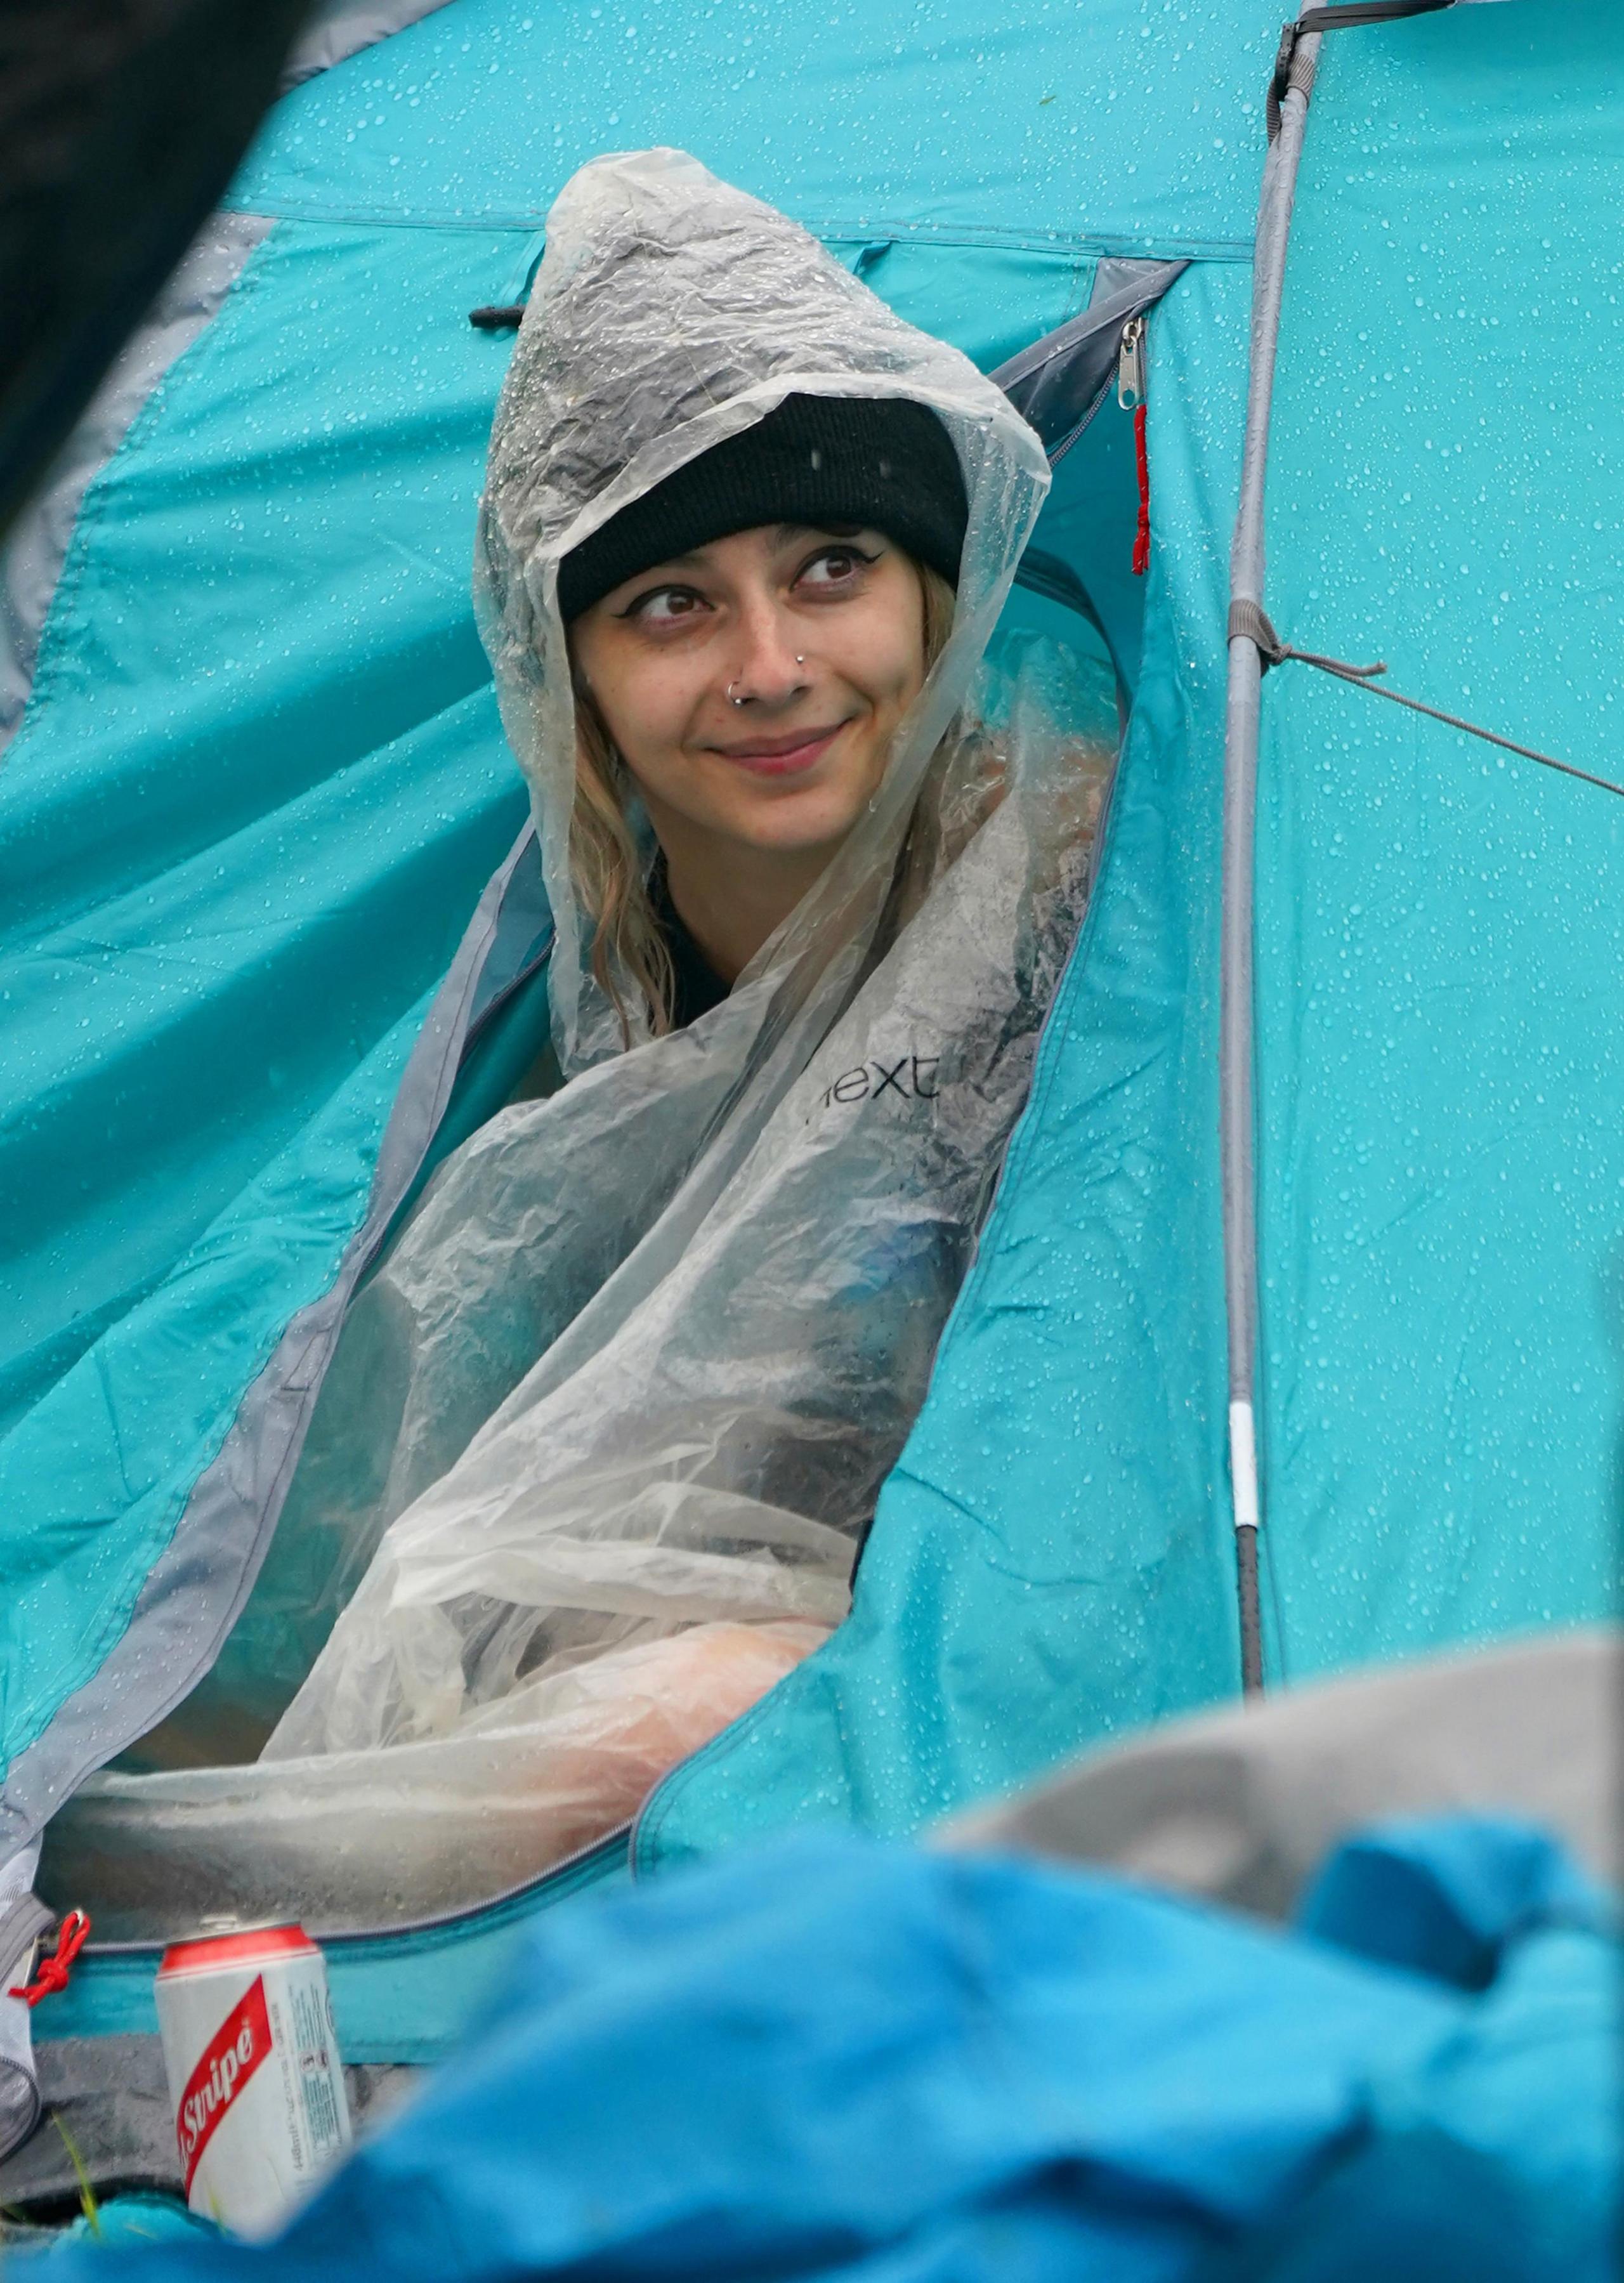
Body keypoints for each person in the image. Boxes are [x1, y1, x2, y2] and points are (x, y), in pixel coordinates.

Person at [118, 150, 1112, 1892]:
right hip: (662, 1693)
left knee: (671, 1711)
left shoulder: (1085, 917)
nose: (767, 668)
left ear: (931, 600)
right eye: (672, 604)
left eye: (828, 570)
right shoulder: (545, 984)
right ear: (564, 668)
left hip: (1012, 1674)